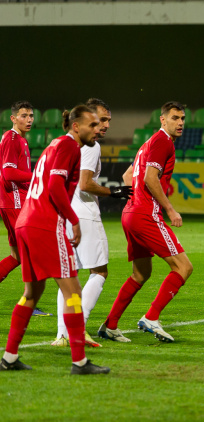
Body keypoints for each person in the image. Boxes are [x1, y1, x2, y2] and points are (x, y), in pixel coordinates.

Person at [1, 105, 110, 374]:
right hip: (44, 225)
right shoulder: (71, 147)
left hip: (26, 222)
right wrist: (73, 220)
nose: (97, 129)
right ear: (76, 126)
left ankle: (9, 357)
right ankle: (80, 362)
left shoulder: (54, 144)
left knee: (31, 293)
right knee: (73, 292)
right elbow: (54, 186)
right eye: (92, 125)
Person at [98, 101, 193, 344]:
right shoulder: (163, 142)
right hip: (144, 214)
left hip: (130, 213)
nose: (180, 122)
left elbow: (128, 176)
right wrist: (169, 209)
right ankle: (151, 317)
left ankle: (110, 325)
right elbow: (151, 179)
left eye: (182, 118)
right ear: (163, 120)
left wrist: (135, 203)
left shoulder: (148, 143)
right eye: (175, 118)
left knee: (141, 273)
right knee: (183, 267)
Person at [52, 98, 132, 348]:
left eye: (108, 120)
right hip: (83, 213)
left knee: (69, 275)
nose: (105, 125)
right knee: (99, 271)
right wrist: (114, 192)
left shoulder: (65, 143)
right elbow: (86, 184)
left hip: (65, 213)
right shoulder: (91, 145)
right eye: (101, 120)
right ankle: (78, 327)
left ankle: (62, 333)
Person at [0, 102, 52, 317]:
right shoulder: (12, 139)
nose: (29, 119)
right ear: (13, 118)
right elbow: (9, 174)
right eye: (24, 115)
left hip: (13, 202)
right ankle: (28, 303)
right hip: (15, 203)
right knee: (32, 254)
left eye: (31, 115)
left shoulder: (18, 140)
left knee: (17, 256)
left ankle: (28, 302)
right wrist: (38, 175)